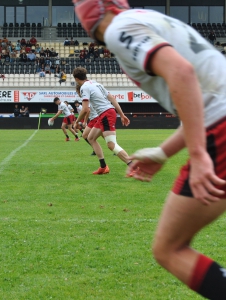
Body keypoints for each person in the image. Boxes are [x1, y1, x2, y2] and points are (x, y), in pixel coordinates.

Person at [74, 0, 226, 298]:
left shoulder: (119, 29)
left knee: (169, 249)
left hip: (220, 130)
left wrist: (197, 154)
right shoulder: (147, 19)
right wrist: (163, 152)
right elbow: (204, 99)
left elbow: (183, 74)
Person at [73, 67, 132, 175]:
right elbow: (112, 99)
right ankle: (103, 167)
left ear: (76, 79)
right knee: (90, 138)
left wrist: (77, 122)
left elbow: (86, 109)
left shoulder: (84, 87)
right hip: (106, 113)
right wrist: (122, 114)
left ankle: (133, 167)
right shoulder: (96, 84)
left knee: (111, 145)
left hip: (106, 114)